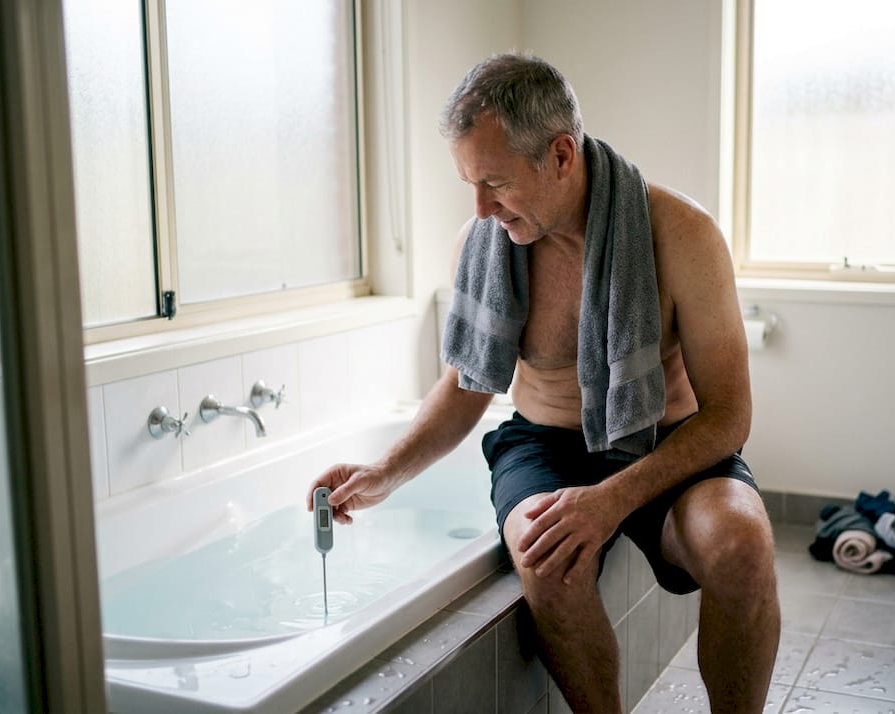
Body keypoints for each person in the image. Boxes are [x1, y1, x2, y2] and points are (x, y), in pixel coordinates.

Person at [307, 52, 779, 712]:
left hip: (665, 442)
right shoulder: (484, 242)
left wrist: (611, 497)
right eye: (469, 183)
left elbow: (728, 416)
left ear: (561, 155)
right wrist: (383, 474)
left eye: (494, 181)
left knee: (742, 545)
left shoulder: (682, 236)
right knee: (543, 556)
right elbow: (469, 386)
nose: (479, 207)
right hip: (546, 445)